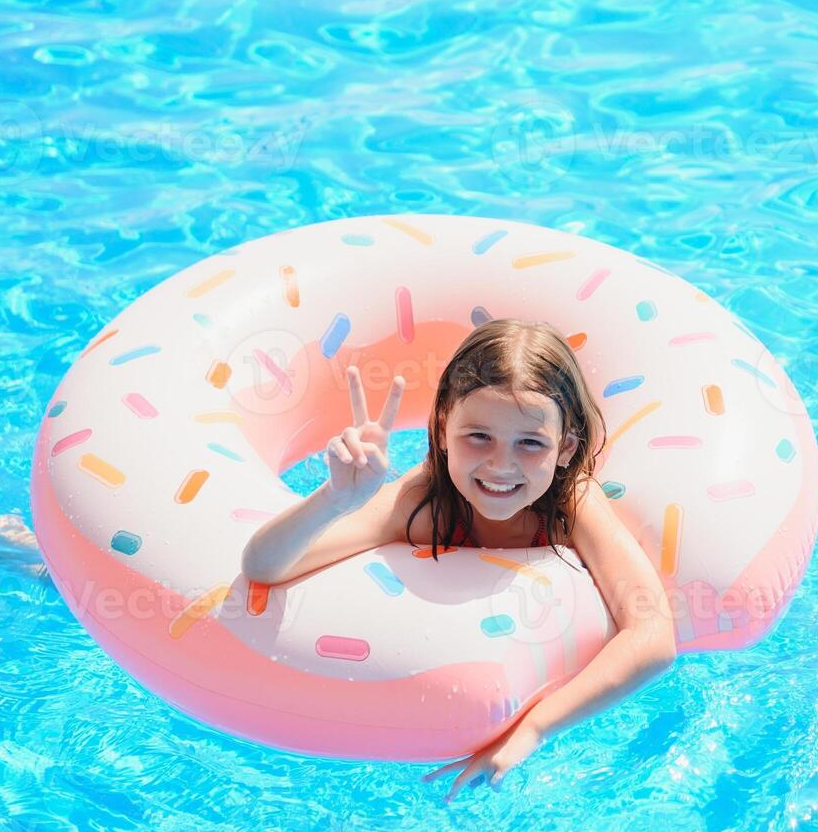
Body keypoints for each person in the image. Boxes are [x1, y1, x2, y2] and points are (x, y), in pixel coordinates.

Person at [241, 318, 677, 802]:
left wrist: (533, 730)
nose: (500, 465)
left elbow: (652, 633)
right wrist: (338, 499)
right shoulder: (423, 503)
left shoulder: (571, 506)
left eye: (530, 443)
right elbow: (265, 566)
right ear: (445, 427)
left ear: (565, 449)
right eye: (478, 436)